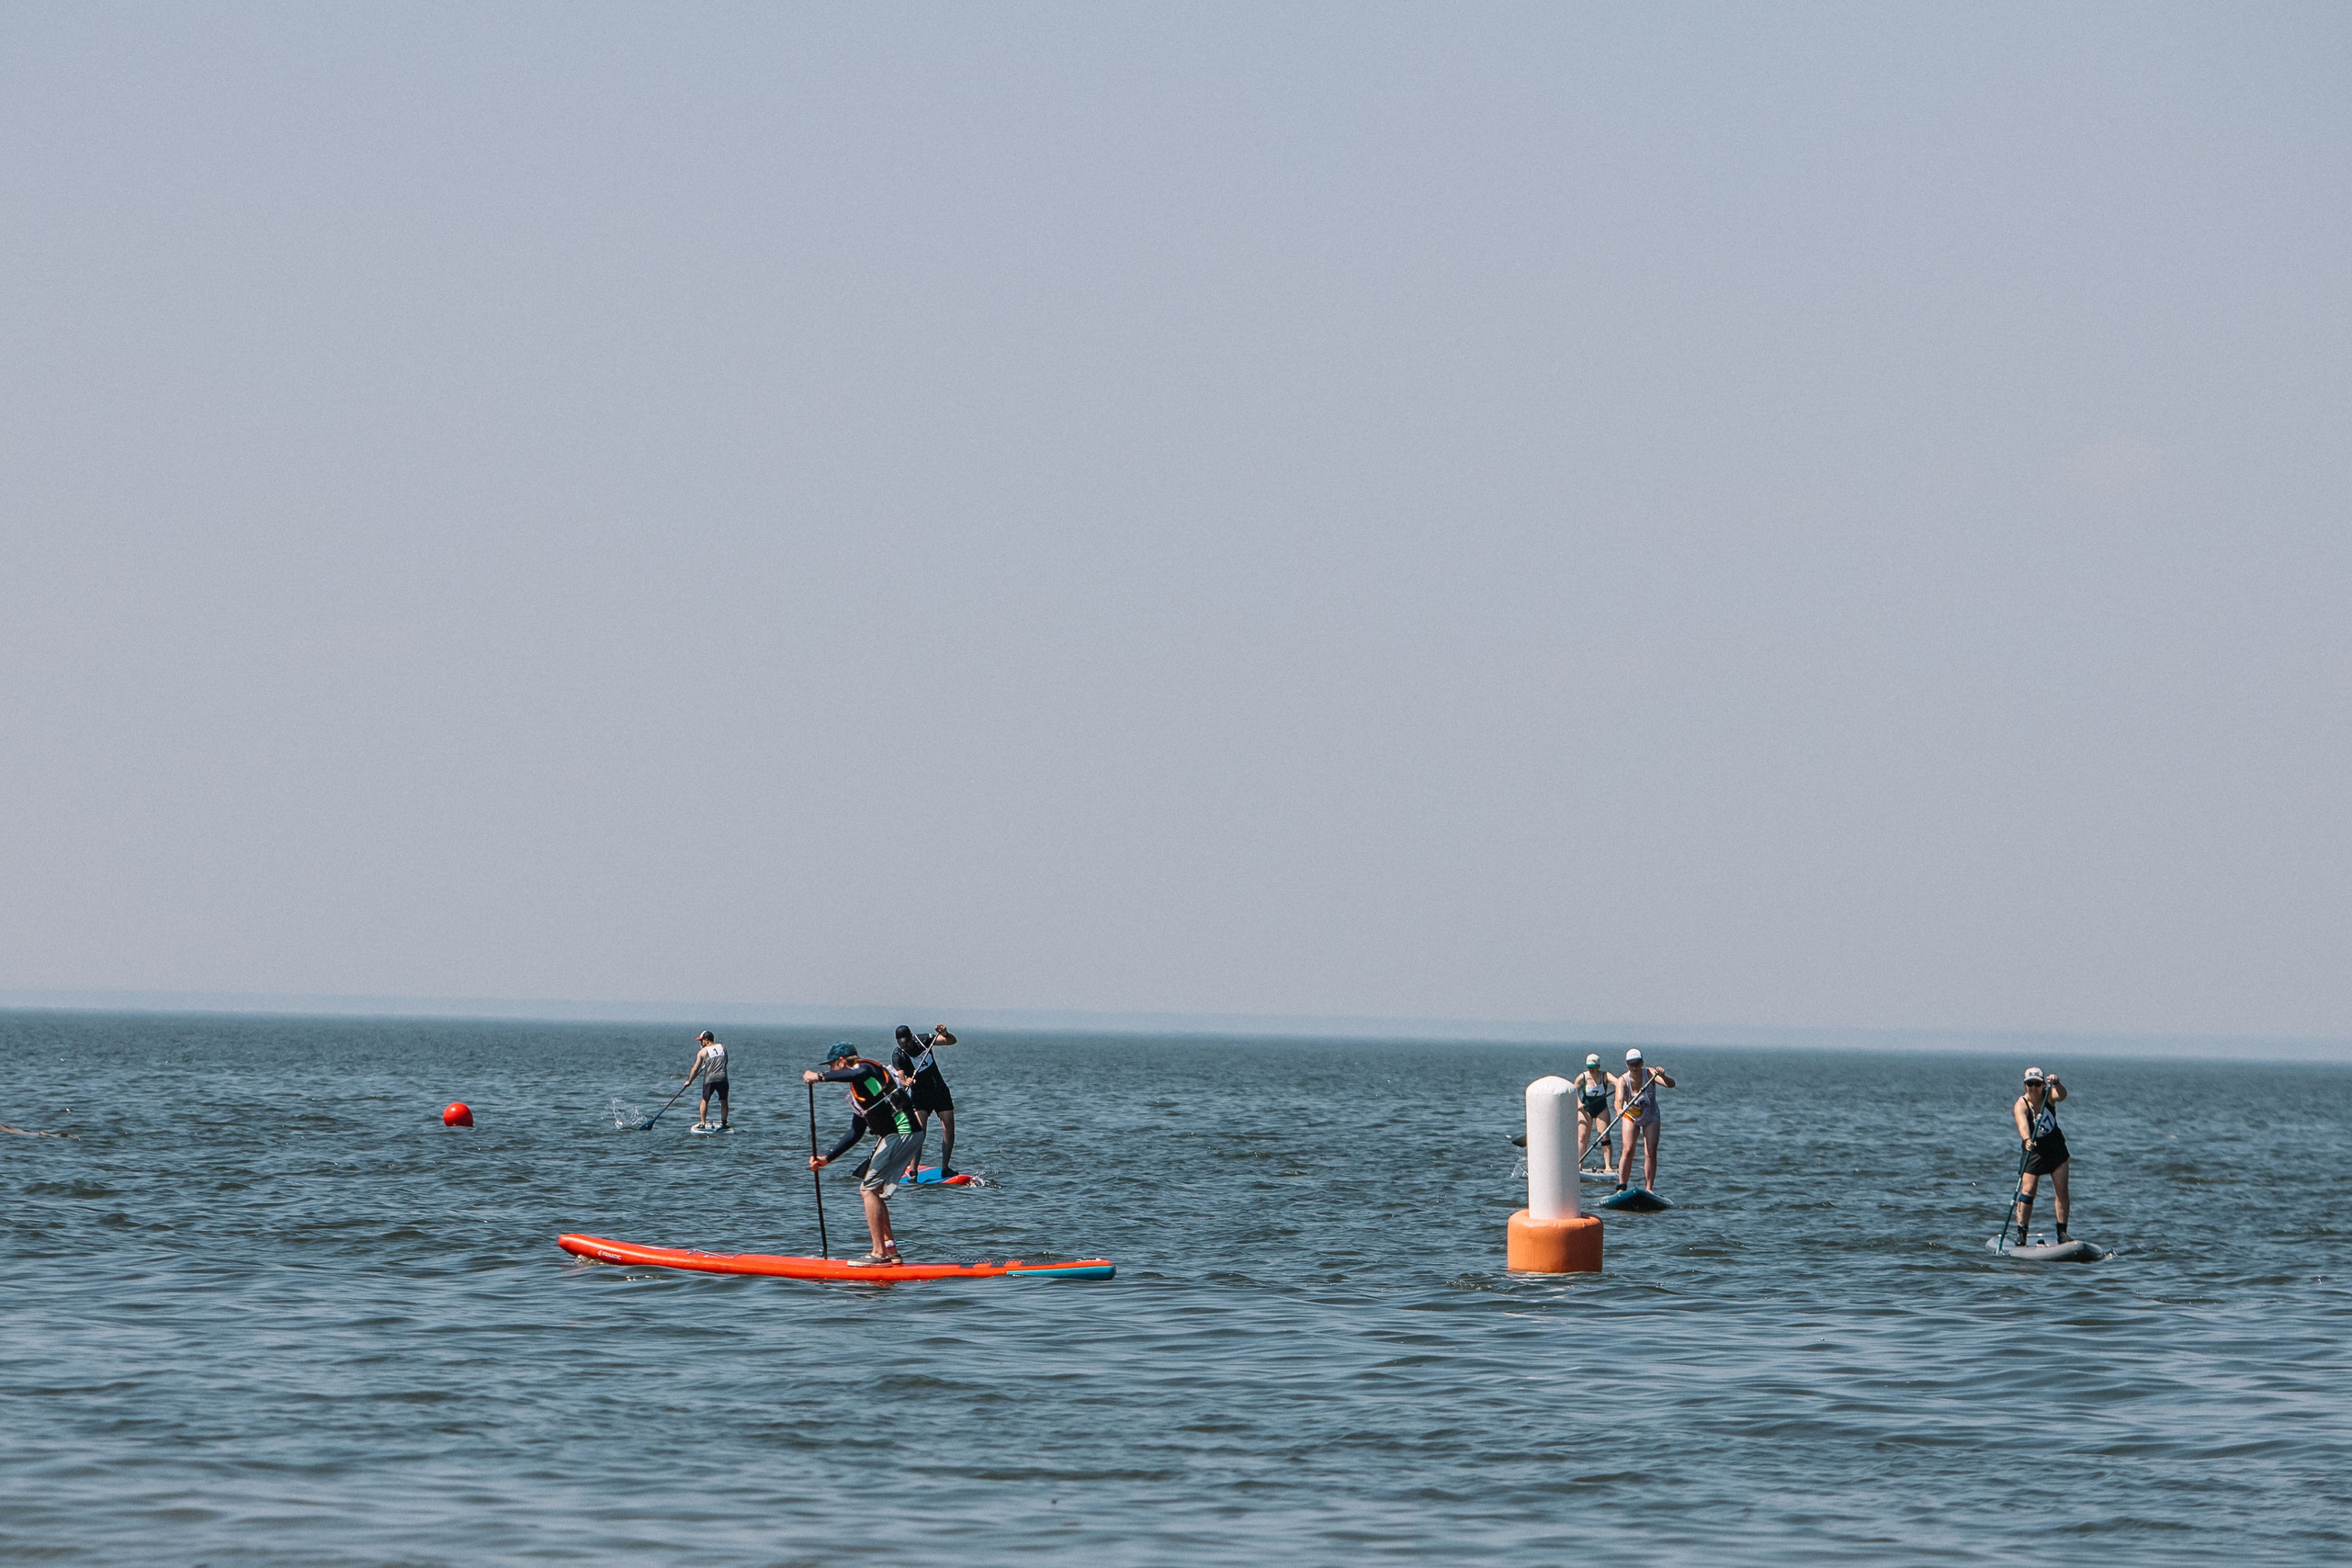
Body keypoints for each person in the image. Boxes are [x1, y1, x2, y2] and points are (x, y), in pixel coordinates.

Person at [803, 1043, 923, 1264]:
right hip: (896, 1136)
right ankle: (890, 1251)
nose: (831, 1071)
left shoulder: (868, 1069)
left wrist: (819, 1077)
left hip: (903, 1132)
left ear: (842, 1061)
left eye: (832, 1066)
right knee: (873, 1191)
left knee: (867, 1190)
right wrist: (826, 1159)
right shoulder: (859, 1092)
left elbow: (859, 1071)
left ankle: (878, 1254)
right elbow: (855, 1132)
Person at [2010, 1066, 2072, 1244]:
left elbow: (2062, 1095)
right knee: (2028, 1191)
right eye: (2030, 1084)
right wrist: (2027, 1139)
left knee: (2061, 1191)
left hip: (2056, 1148)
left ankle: (2062, 1232)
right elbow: (2022, 1124)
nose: (2034, 1088)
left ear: (2043, 1084)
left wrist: (2058, 1083)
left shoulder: (2048, 1096)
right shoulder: (2021, 1104)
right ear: (2025, 1085)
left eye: (2037, 1084)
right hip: (2034, 1150)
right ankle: (2022, 1232)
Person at [891, 1023, 960, 1175]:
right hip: (920, 1096)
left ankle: (945, 1168)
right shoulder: (898, 1055)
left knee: (949, 1129)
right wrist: (905, 1082)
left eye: (907, 1042)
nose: (905, 1045)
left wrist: (946, 1033)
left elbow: (951, 1041)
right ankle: (913, 1171)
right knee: (919, 1133)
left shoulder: (922, 1040)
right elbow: (901, 1078)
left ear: (911, 1037)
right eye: (901, 1043)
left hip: (940, 1091)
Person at [1612, 1048, 1677, 1193]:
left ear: (1642, 1063)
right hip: (1631, 1115)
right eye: (1631, 1064)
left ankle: (1649, 1188)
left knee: (1651, 1151)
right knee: (1628, 1149)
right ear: (1627, 1065)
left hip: (1651, 1116)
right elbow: (1618, 1100)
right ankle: (1621, 1186)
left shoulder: (1650, 1073)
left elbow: (1671, 1084)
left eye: (1637, 1064)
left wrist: (1663, 1076)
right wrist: (1618, 1110)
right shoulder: (1623, 1080)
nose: (1634, 1068)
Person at [1571, 1053, 1616, 1170]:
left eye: (1593, 1067)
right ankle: (1579, 1165)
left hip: (1601, 1108)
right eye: (1589, 1067)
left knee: (1604, 1136)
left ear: (1598, 1067)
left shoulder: (1605, 1076)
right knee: (1582, 1137)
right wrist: (1579, 1104)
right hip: (1586, 1109)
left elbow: (1618, 1083)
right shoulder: (1582, 1078)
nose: (1591, 1070)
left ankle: (1608, 1166)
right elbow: (1573, 1092)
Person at [686, 1031, 730, 1131]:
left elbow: (695, 1069)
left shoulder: (702, 1052)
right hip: (723, 1078)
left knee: (705, 1100)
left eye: (701, 1041)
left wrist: (689, 1081)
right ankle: (724, 1122)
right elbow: (725, 1061)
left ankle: (702, 1123)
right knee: (724, 1101)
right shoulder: (723, 1047)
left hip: (710, 1079)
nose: (701, 1043)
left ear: (706, 1040)